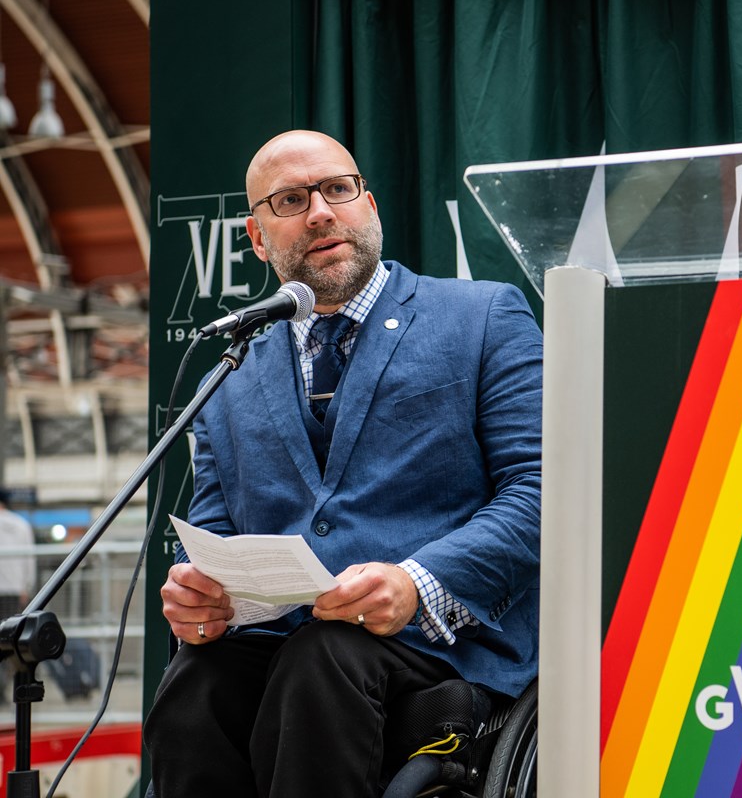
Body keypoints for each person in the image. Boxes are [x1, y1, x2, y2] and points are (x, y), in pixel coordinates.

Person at [143, 130, 542, 797]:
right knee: (196, 680)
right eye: (291, 200)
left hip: (441, 647)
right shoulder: (229, 375)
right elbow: (218, 538)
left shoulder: (481, 317)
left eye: (337, 190)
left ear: (370, 205)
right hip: (286, 646)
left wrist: (417, 582)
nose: (321, 212)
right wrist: (203, 596)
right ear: (257, 238)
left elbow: (540, 491)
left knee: (320, 659)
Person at [0, 488, 35, 620]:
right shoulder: (21, 524)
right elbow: (29, 558)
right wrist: (27, 587)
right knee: (10, 629)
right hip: (15, 587)